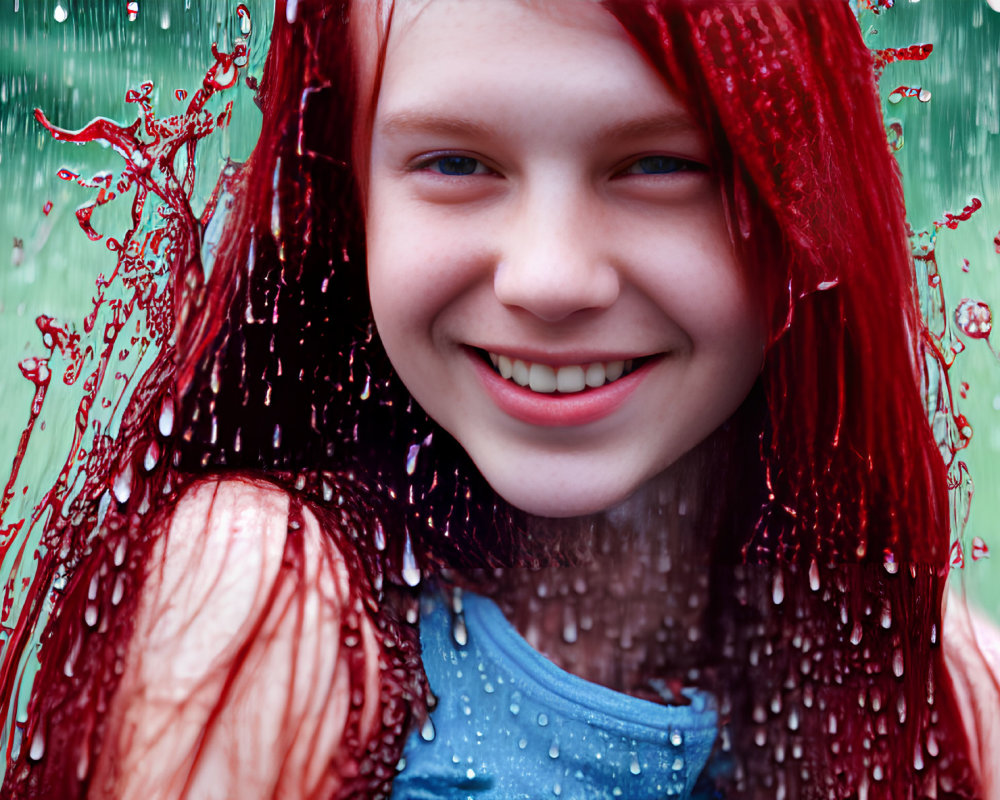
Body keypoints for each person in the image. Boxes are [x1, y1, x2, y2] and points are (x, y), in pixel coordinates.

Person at [1, 0, 998, 798]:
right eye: (456, 163)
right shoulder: (269, 595)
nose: (549, 278)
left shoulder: (940, 683)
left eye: (659, 164)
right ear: (351, 200)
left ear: (801, 211)